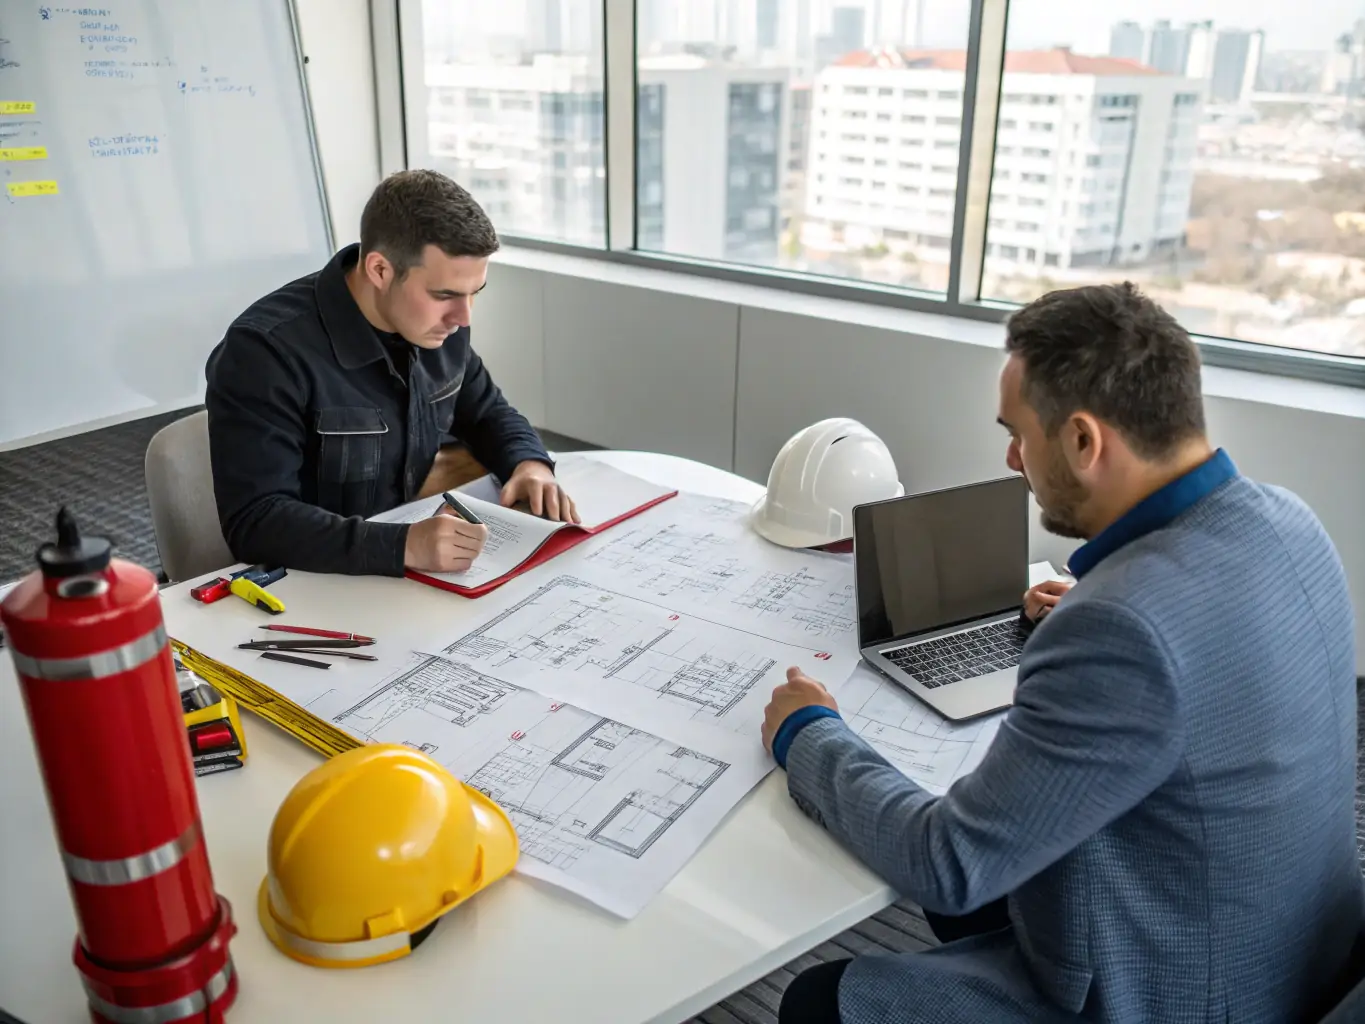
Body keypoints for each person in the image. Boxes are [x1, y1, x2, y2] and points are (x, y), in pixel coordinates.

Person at [764, 282, 1363, 1024]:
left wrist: (808, 733)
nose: (1012, 458)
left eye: (1019, 432)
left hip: (1189, 995)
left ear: (1082, 440)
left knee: (816, 1002)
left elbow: (946, 865)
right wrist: (1094, 612)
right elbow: (1196, 661)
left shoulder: (1120, 626)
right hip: (1300, 946)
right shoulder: (1287, 520)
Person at [204, 170, 577, 577]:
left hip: (398, 568)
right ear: (380, 270)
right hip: (306, 585)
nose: (464, 317)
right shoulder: (264, 352)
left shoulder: (436, 325)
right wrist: (402, 546)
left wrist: (529, 464)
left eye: (475, 293)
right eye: (445, 295)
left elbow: (487, 412)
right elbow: (257, 522)